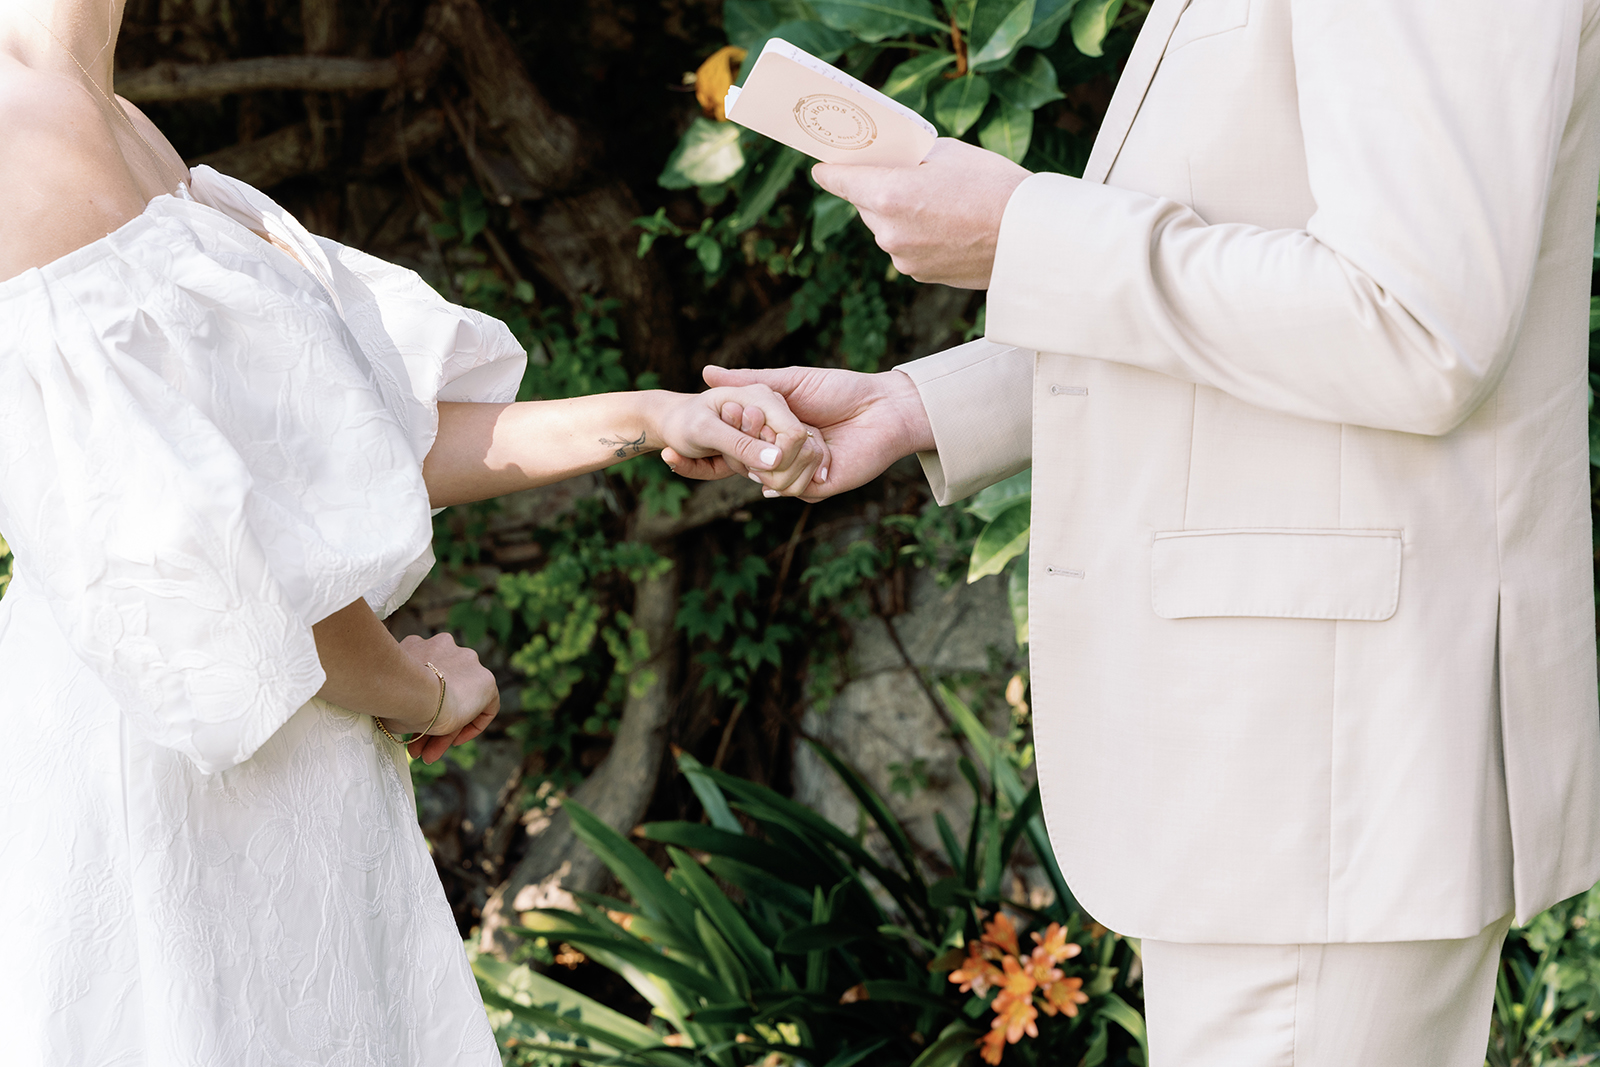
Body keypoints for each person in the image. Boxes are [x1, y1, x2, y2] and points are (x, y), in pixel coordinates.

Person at [674, 0, 1600, 1062]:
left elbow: (1412, 323)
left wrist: (1026, 231)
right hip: (1290, 760)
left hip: (1327, 762)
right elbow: (1264, 283)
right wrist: (922, 406)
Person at [0, 2, 826, 1062]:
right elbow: (228, 570)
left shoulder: (112, 115)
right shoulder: (24, 130)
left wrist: (657, 415)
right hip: (171, 761)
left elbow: (352, 448)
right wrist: (426, 688)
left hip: (295, 754)